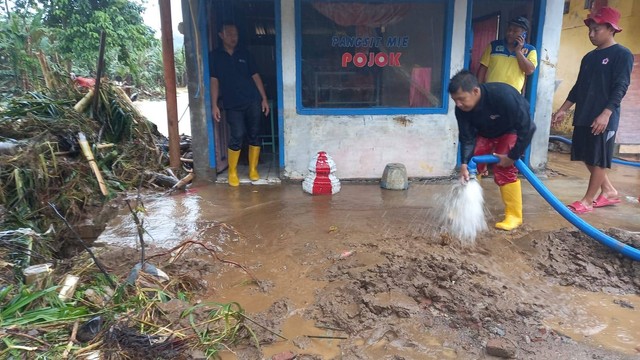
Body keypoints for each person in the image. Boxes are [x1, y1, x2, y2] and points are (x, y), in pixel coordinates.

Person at [551, 6, 633, 214]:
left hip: (604, 116)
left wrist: (606, 113)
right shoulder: (588, 57)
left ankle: (588, 201)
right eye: (590, 29)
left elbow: (620, 87)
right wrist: (563, 110)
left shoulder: (622, 55)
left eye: (597, 30)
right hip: (584, 113)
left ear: (611, 29)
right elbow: (578, 87)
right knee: (587, 155)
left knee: (598, 158)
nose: (591, 34)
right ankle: (609, 191)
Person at [449, 70, 536, 231]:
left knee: (504, 170)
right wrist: (464, 163)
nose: (458, 104)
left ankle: (514, 216)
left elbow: (528, 127)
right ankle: (465, 209)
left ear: (475, 91)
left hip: (511, 130)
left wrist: (512, 156)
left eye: (461, 99)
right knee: (471, 170)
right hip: (485, 133)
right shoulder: (461, 109)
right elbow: (467, 137)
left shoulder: (503, 96)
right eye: (455, 100)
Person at [210, 23, 270, 186]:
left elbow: (256, 76)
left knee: (254, 133)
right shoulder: (215, 56)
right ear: (221, 35)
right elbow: (214, 81)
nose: (233, 37)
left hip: (252, 101)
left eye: (235, 34)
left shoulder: (245, 53)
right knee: (237, 134)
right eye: (229, 34)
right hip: (232, 103)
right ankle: (232, 171)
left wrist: (263, 98)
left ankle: (253, 170)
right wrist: (214, 104)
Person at [476, 16, 537, 93]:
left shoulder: (530, 50)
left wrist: (518, 51)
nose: (510, 33)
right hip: (491, 92)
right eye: (509, 30)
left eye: (515, 31)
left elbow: (529, 70)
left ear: (524, 34)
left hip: (513, 95)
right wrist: (479, 89)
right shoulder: (493, 46)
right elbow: (483, 69)